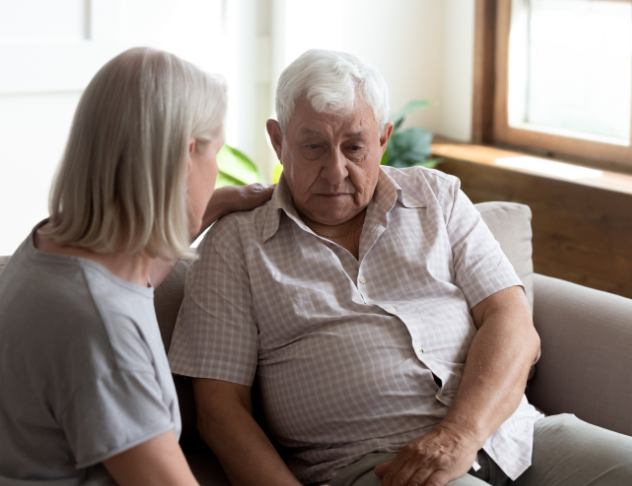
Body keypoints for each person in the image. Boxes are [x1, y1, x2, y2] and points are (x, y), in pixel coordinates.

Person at [168, 49, 632, 486]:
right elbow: (220, 411)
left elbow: (512, 322)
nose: (336, 171)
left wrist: (459, 435)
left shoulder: (437, 197)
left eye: (355, 148)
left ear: (384, 140)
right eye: (313, 147)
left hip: (514, 434)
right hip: (379, 466)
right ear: (278, 140)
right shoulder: (236, 244)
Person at [0, 47, 272, 486]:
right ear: (186, 156)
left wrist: (220, 203)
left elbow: (137, 279)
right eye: (215, 154)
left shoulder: (55, 241)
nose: (217, 172)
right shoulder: (101, 330)